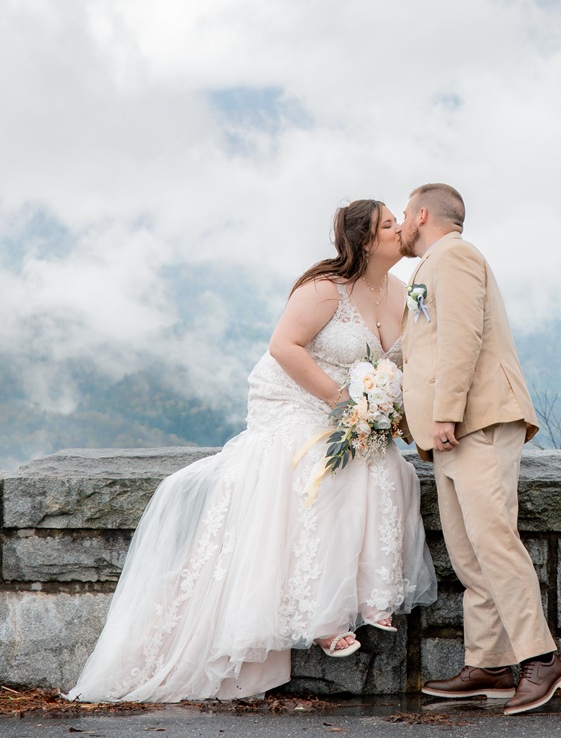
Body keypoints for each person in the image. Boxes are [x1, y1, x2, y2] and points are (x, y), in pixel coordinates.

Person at [67, 200, 436, 702]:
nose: (400, 231)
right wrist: (342, 401)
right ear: (367, 241)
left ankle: (372, 598)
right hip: (299, 401)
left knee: (393, 471)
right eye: (390, 225)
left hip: (357, 413)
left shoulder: (398, 291)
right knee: (326, 469)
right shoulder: (323, 287)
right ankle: (324, 616)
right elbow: (284, 347)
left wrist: (387, 410)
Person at [399, 183, 561, 714]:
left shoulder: (456, 256)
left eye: (404, 214)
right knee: (470, 553)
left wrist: (447, 410)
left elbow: (461, 336)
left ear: (422, 213)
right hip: (449, 431)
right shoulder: (433, 264)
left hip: (476, 420)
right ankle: (489, 663)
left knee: (494, 539)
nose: (401, 224)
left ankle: (541, 660)